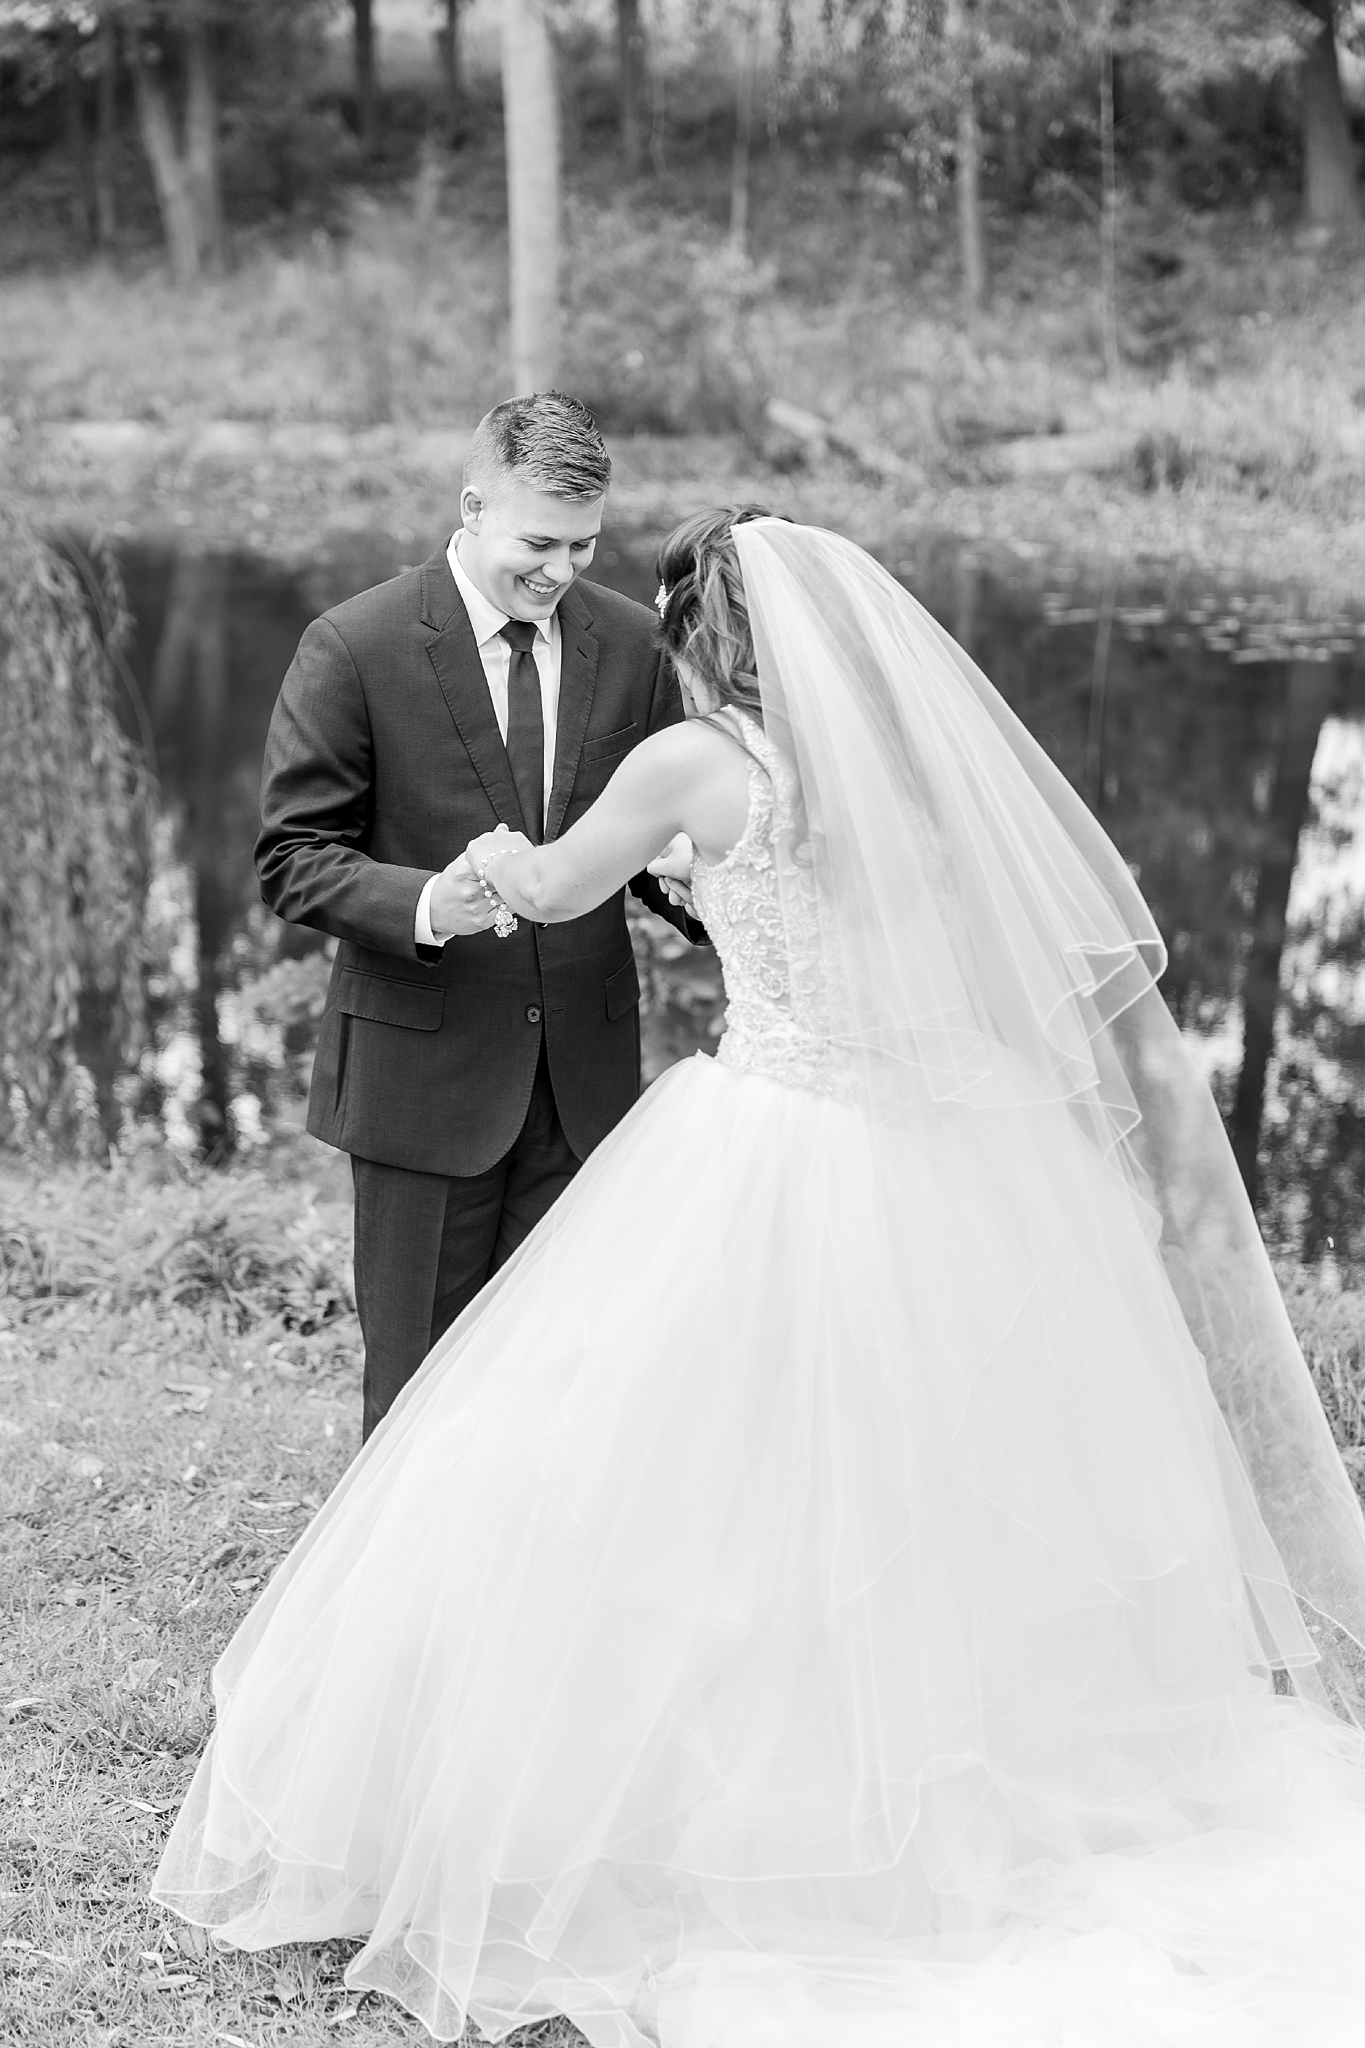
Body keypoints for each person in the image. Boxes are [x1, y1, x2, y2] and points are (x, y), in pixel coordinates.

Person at [157, 512, 1365, 2045]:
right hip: (943, 1155)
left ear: (699, 636)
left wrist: (476, 863)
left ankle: (716, 1815)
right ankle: (976, 1799)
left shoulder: (690, 766)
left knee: (679, 1484)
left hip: (774, 1147)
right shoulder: (913, 787)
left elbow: (547, 887)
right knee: (940, 1496)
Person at [255, 392, 700, 1440]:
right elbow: (292, 857)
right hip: (424, 1080)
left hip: (584, 1083)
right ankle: (400, 1606)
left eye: (585, 544)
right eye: (538, 542)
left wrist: (695, 886)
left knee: (562, 1384)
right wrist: (425, 902)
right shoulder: (354, 644)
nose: (562, 570)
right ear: (471, 506)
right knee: (415, 1395)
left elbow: (641, 843)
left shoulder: (635, 647)